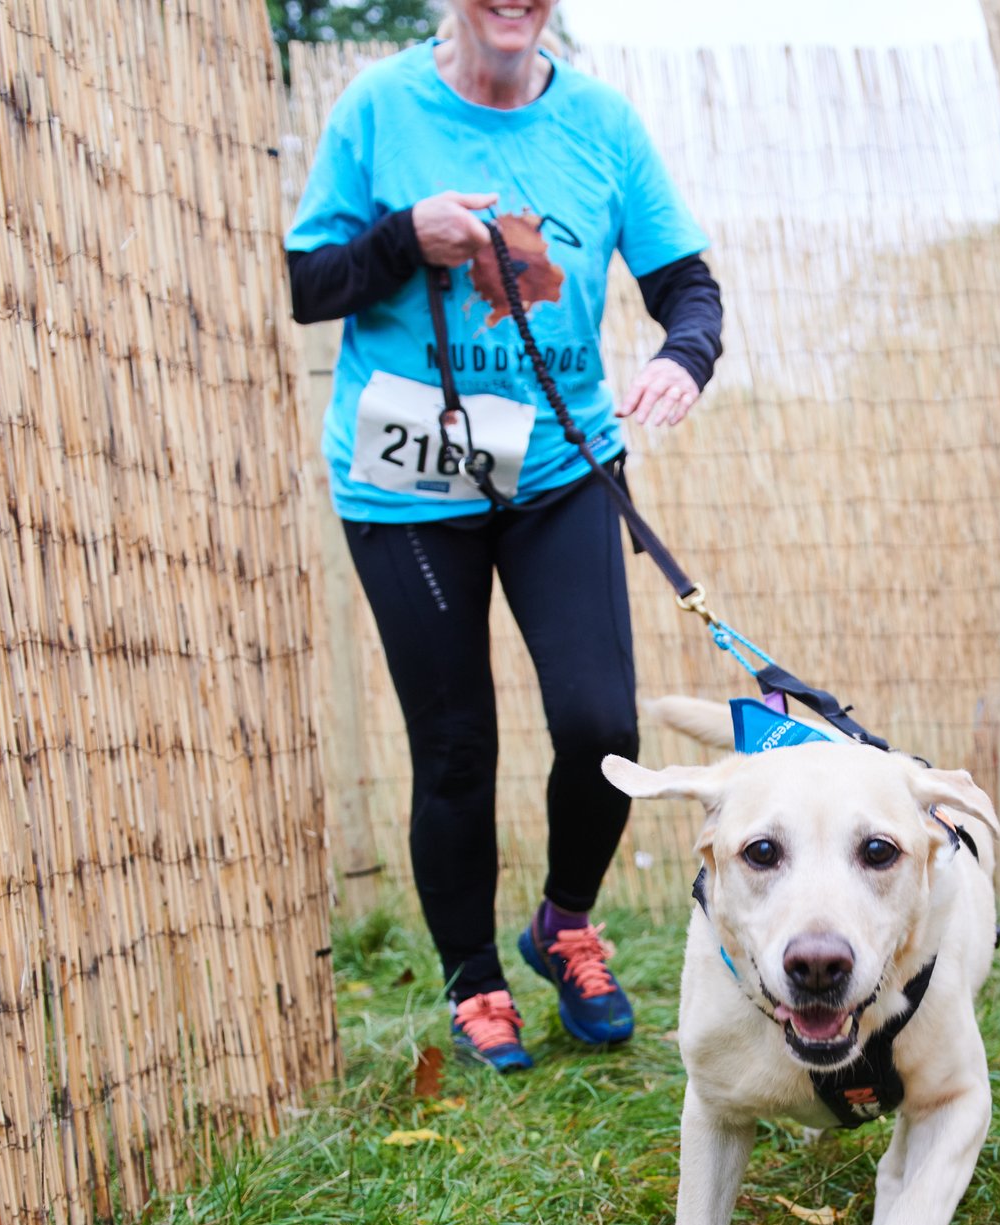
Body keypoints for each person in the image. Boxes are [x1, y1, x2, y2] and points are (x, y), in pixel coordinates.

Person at [286, 0, 721, 1071]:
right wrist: (404, 238)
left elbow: (687, 287)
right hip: (405, 478)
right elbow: (308, 285)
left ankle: (563, 921)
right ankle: (474, 978)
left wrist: (683, 357)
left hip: (559, 464)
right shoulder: (378, 109)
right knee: (455, 744)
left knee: (598, 722)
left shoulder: (601, 125)